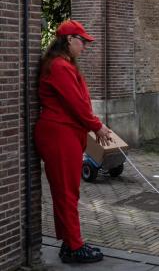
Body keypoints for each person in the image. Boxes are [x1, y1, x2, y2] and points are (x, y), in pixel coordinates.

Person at [34, 20, 113, 263]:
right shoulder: (59, 67)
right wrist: (96, 125)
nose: (85, 47)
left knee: (68, 191)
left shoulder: (63, 64)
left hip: (65, 134)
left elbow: (78, 102)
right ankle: (74, 247)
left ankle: (69, 243)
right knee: (66, 192)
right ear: (69, 40)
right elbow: (76, 103)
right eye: (82, 41)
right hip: (59, 135)